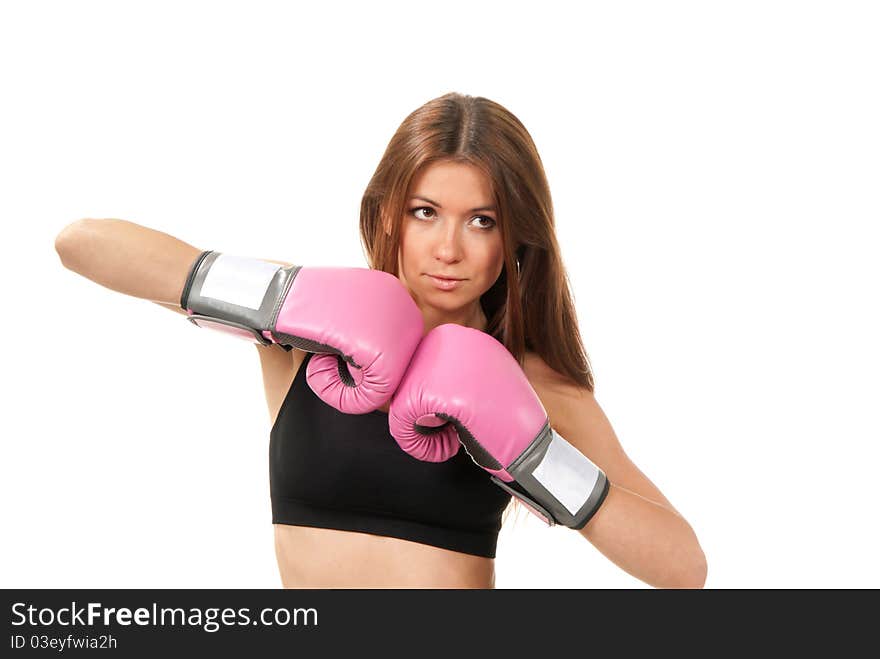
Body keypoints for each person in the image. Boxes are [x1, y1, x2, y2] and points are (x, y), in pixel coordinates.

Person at [54, 91, 707, 589]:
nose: (449, 248)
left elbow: (684, 566)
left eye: (482, 221)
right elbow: (80, 244)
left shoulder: (530, 378)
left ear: (514, 237)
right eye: (425, 212)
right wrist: (283, 294)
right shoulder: (304, 330)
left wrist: (534, 461)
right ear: (388, 210)